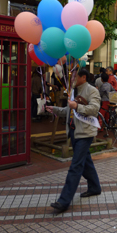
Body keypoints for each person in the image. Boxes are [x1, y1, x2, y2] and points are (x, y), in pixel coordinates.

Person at [47, 68, 101, 213]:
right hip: (73, 132)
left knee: (76, 166)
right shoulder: (73, 91)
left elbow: (94, 109)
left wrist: (77, 105)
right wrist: (55, 109)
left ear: (83, 77)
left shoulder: (92, 91)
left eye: (75, 77)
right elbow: (68, 111)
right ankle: (95, 187)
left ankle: (63, 201)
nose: (72, 79)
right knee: (85, 162)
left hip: (85, 134)